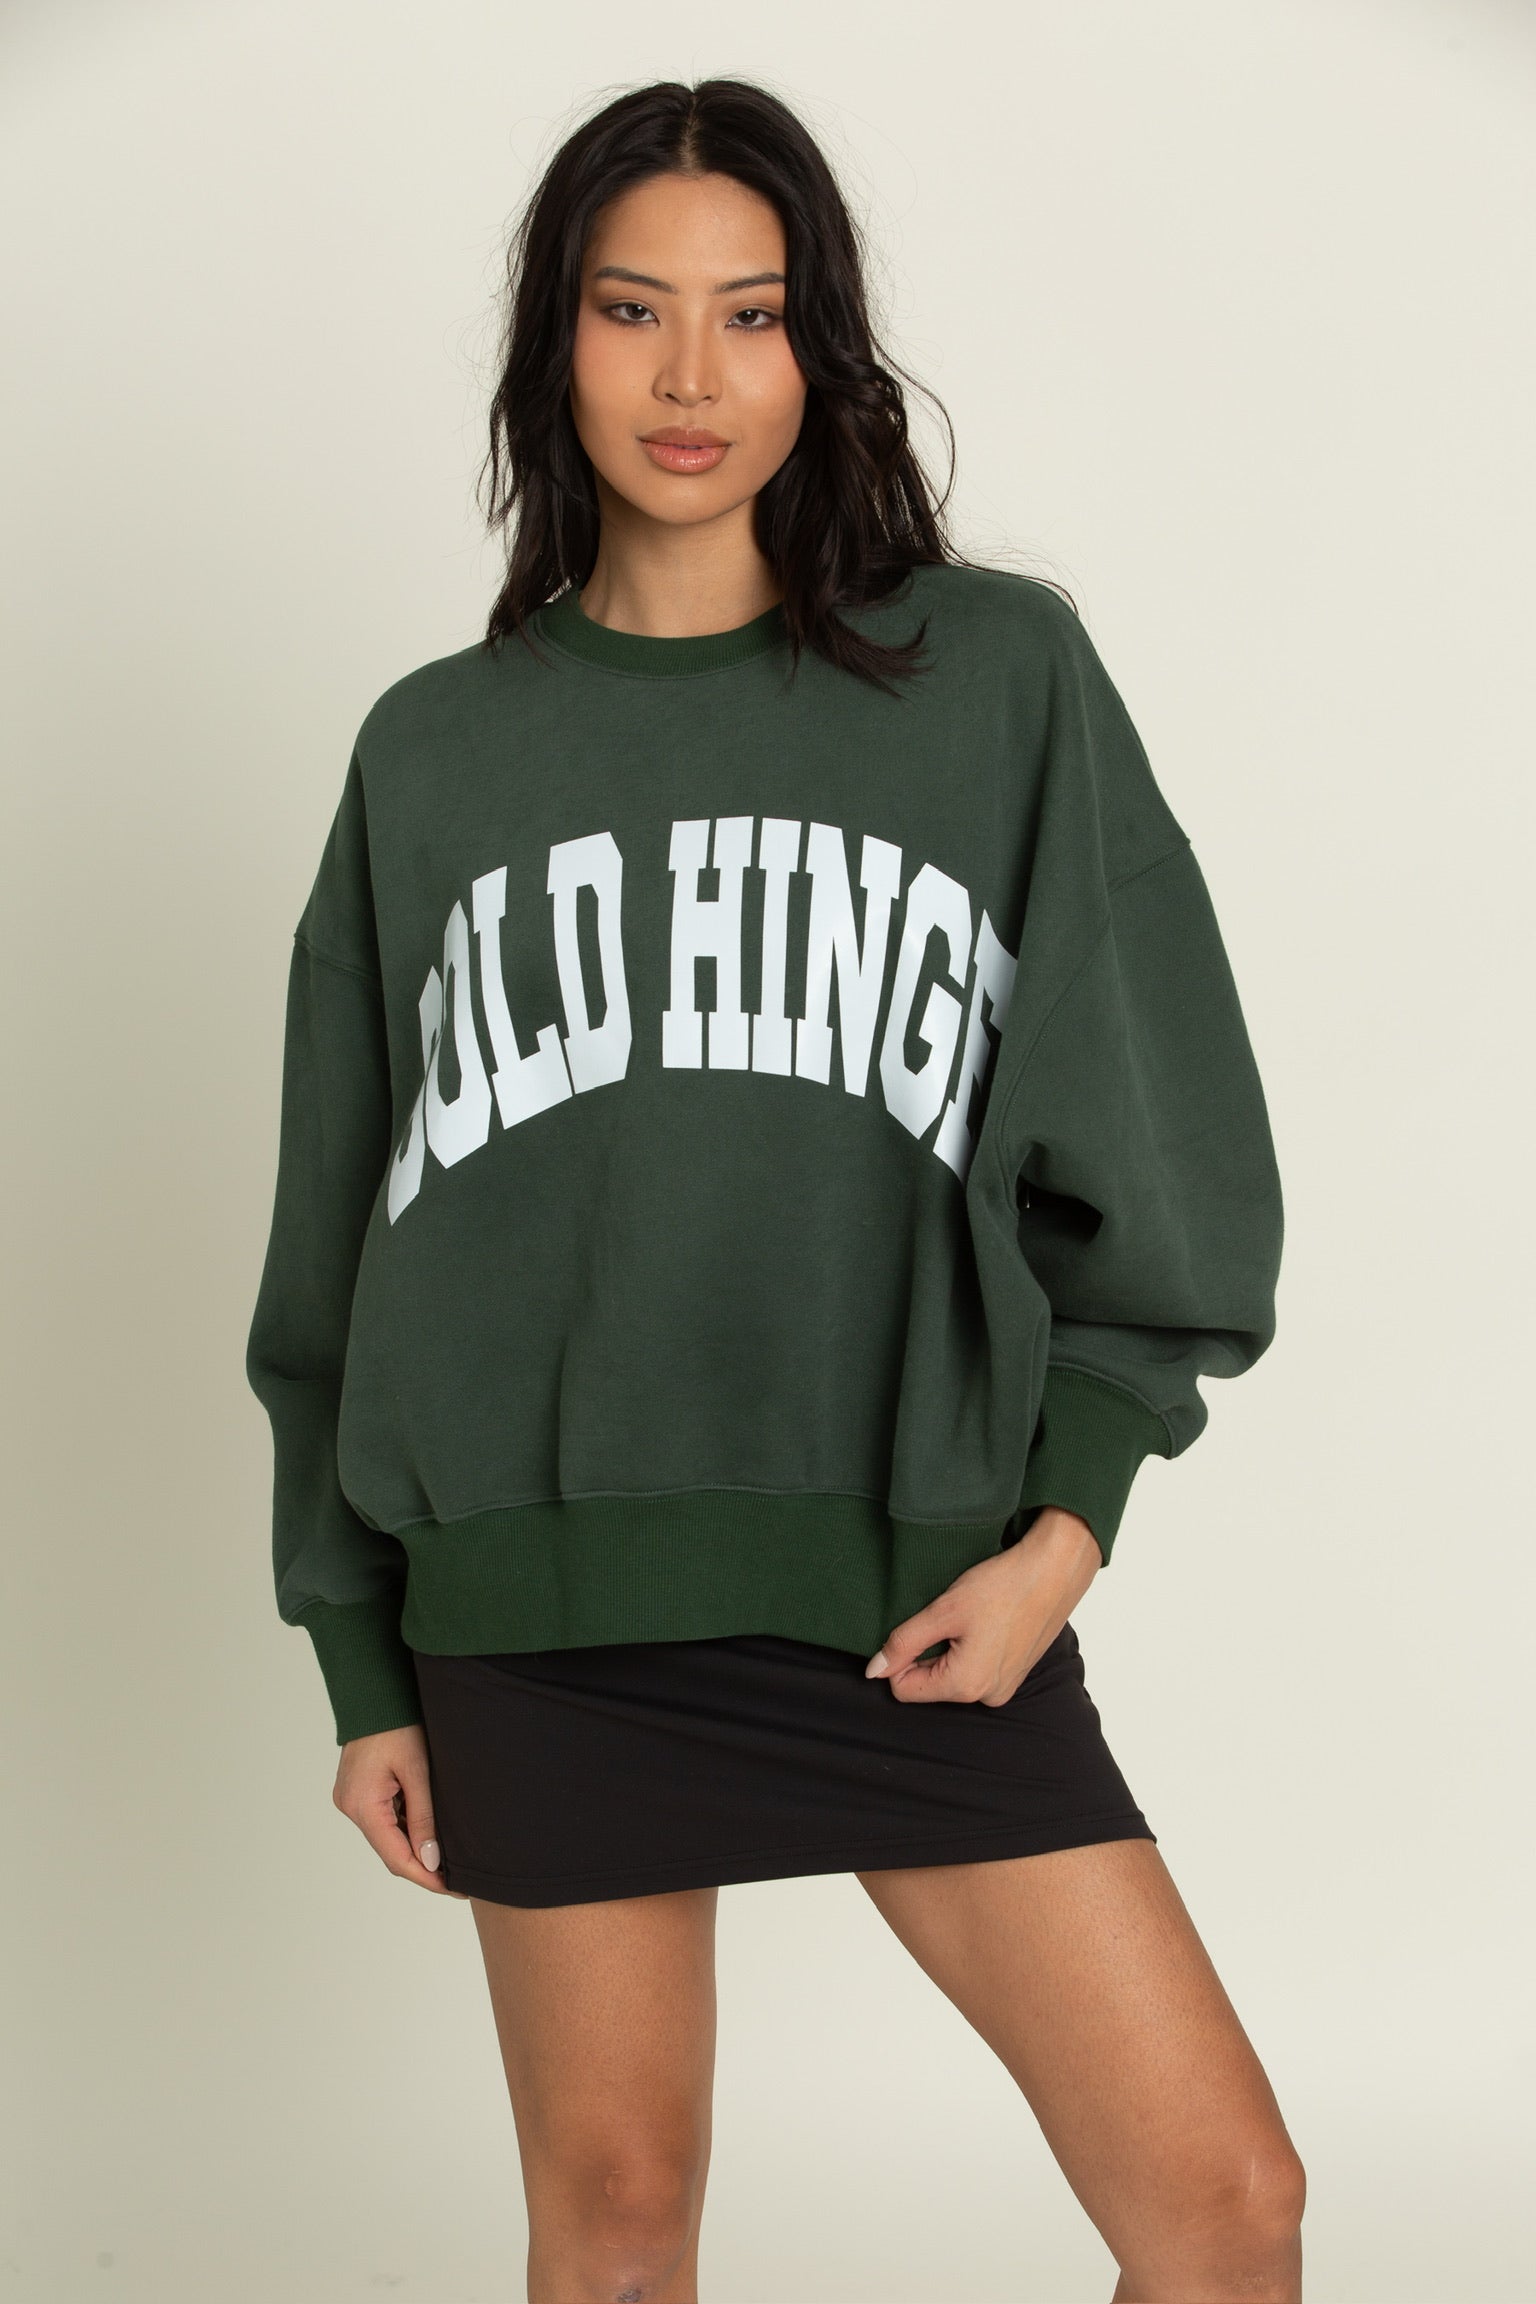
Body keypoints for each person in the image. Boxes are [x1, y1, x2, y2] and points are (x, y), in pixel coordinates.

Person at [245, 74, 1305, 2304]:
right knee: (620, 2240)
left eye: (752, 314)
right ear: (554, 341)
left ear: (821, 351)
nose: (692, 377)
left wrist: (1067, 1529)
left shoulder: (996, 679)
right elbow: (340, 1249)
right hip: (539, 1623)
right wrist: (360, 1662)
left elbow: (1164, 1142)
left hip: (919, 1601)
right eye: (633, 309)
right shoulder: (434, 750)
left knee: (1224, 2211)